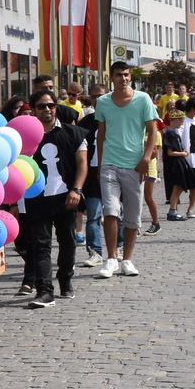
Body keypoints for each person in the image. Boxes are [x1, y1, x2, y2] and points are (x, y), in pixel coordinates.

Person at [91, 61, 159, 278]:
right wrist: (100, 165)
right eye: (119, 75)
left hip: (134, 165)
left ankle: (127, 259)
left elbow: (152, 130)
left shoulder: (143, 99)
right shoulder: (103, 102)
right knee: (110, 211)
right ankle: (111, 259)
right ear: (111, 77)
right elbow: (101, 135)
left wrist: (146, 159)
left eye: (126, 74)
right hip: (110, 163)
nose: (124, 78)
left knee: (132, 216)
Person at [21, 94, 86, 307]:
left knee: (68, 242)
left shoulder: (73, 133)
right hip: (37, 200)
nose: (47, 109)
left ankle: (65, 281)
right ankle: (45, 291)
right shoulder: (26, 137)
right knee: (41, 246)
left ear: (56, 108)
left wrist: (76, 190)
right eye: (42, 106)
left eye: (51, 105)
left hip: (66, 198)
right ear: (34, 109)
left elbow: (82, 164)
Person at [74, 83, 106, 267]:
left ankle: (118, 247)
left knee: (115, 214)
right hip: (92, 174)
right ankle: (95, 251)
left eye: (101, 96)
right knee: (93, 215)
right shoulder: (85, 123)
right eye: (94, 97)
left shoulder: (115, 119)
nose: (98, 100)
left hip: (114, 171)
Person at [161, 105, 195, 222]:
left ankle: (173, 210)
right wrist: (183, 154)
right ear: (175, 120)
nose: (182, 122)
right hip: (174, 164)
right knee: (177, 187)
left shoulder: (174, 133)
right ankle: (172, 211)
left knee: (179, 187)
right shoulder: (170, 134)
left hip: (178, 163)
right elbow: (170, 152)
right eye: (181, 120)